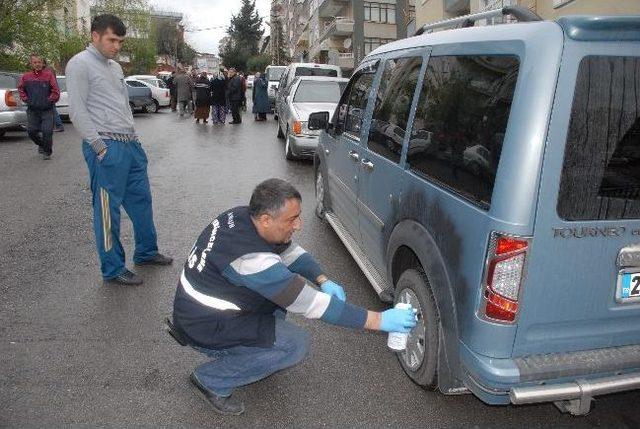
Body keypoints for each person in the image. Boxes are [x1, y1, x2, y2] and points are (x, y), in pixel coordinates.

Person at [171, 178, 417, 415]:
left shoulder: (243, 217)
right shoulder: (250, 260)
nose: (299, 225)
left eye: (298, 216)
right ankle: (211, 379)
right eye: (292, 219)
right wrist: (380, 321)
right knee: (295, 345)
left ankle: (250, 351)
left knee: (277, 306)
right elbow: (312, 305)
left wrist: (323, 279)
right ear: (267, 219)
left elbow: (290, 253)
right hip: (203, 325)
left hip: (206, 308)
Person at [66, 14, 173, 285]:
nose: (117, 46)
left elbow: (123, 106)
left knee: (142, 202)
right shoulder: (79, 64)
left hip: (130, 146)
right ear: (95, 36)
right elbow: (78, 112)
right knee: (106, 210)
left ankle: (146, 252)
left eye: (120, 41)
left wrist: (135, 140)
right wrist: (100, 148)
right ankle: (113, 269)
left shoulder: (114, 67)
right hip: (105, 147)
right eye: (112, 40)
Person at [17, 53, 60, 160]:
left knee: (47, 132)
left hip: (47, 110)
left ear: (43, 63)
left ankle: (47, 151)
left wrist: (49, 100)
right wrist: (26, 100)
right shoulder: (26, 77)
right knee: (31, 131)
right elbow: (21, 89)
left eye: (39, 62)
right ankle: (42, 144)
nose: (37, 64)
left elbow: (56, 91)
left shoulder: (48, 75)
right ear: (31, 64)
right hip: (32, 110)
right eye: (35, 62)